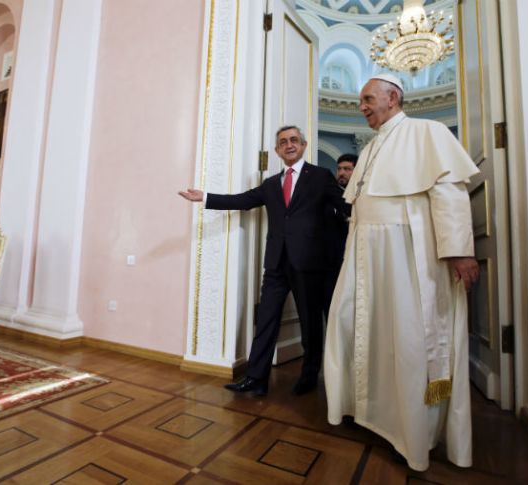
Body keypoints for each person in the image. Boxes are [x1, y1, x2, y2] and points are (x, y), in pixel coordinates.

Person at [323, 73, 480, 472]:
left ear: (392, 97)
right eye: (361, 101)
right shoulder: (370, 148)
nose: (361, 107)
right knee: (361, 329)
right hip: (363, 255)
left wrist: (460, 251)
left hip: (406, 254)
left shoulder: (426, 132)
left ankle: (413, 434)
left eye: (367, 99)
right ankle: (370, 412)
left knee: (407, 339)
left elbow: (449, 193)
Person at [180, 125, 347, 397]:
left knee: (310, 323)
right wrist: (206, 197)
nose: (289, 145)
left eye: (294, 140)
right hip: (276, 263)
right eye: (283, 142)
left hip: (309, 263)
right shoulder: (271, 184)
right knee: (266, 320)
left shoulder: (320, 176)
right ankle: (256, 378)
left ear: (303, 145)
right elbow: (244, 200)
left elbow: (343, 205)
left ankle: (309, 375)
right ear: (278, 150)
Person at [322, 154, 357, 321]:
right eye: (339, 169)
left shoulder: (363, 198)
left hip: (354, 263)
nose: (341, 173)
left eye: (347, 169)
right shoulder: (327, 197)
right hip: (329, 265)